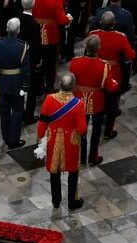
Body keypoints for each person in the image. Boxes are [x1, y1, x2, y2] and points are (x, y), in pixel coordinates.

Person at [36, 72, 87, 209]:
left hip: (53, 140)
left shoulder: (49, 99)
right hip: (71, 143)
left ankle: (56, 201)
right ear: (74, 87)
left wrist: (41, 136)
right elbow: (82, 129)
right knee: (73, 172)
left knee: (54, 172)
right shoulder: (79, 104)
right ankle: (72, 202)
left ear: (60, 85)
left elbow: (42, 123)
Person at [69, 35, 119, 165]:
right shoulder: (104, 67)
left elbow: (72, 81)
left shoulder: (75, 62)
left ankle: (79, 156)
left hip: (79, 99)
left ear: (86, 47)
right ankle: (93, 157)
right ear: (98, 49)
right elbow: (110, 86)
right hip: (96, 101)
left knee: (80, 128)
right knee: (96, 130)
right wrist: (115, 83)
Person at [91, 11, 136, 139]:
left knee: (99, 97)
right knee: (113, 104)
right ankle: (108, 132)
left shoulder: (94, 35)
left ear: (100, 22)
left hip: (97, 70)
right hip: (114, 72)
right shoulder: (120, 37)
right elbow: (131, 55)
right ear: (114, 24)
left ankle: (98, 121)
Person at [0, 18, 32, 150]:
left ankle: (6, 137)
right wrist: (25, 86)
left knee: (4, 111)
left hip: (3, 83)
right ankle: (13, 140)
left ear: (7, 29)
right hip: (17, 84)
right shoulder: (23, 46)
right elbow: (25, 69)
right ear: (18, 30)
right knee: (18, 112)